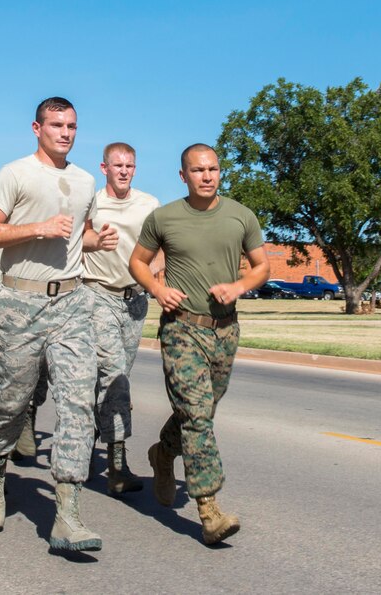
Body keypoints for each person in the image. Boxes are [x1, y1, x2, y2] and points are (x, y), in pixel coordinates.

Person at [0, 96, 112, 552]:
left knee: (77, 400)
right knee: (11, 401)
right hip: (20, 302)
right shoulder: (15, 174)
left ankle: (67, 513)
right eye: (56, 125)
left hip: (72, 302)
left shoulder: (85, 179)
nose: (65, 133)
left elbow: (75, 235)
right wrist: (37, 228)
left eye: (72, 125)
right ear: (37, 127)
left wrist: (96, 240)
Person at [128, 143, 269, 545]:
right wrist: (157, 287)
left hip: (225, 330)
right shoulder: (164, 217)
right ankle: (208, 509)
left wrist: (239, 286)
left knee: (201, 411)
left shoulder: (241, 216)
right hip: (181, 328)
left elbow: (263, 267)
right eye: (197, 170)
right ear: (183, 175)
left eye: (213, 170)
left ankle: (162, 454)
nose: (206, 176)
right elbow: (137, 261)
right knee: (197, 416)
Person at [81, 142, 160, 495]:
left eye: (130, 165)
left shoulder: (149, 205)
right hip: (97, 295)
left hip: (135, 300)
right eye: (118, 165)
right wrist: (95, 240)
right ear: (104, 167)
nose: (124, 170)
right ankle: (117, 464)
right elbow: (75, 240)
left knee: (115, 381)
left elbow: (161, 249)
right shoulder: (92, 201)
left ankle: (83, 449)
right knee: (114, 377)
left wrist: (155, 276)